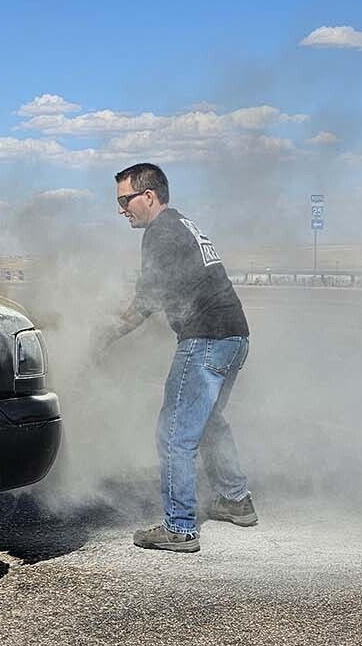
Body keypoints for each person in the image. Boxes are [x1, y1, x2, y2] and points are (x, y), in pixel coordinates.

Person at [94, 162, 257, 553]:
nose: (121, 210)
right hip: (235, 334)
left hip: (205, 340)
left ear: (148, 196)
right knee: (209, 422)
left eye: (124, 200)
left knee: (174, 434)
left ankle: (180, 527)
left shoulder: (160, 233)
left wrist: (105, 336)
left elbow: (146, 300)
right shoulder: (182, 224)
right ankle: (236, 500)